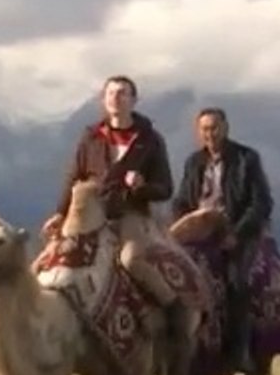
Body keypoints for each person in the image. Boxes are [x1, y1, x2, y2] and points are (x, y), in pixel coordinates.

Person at [40, 75, 189, 340]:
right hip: (89, 215)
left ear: (134, 100)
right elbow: (73, 177)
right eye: (110, 93)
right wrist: (60, 214)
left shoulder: (150, 140)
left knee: (130, 260)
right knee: (50, 261)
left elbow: (165, 188)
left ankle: (173, 309)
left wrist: (142, 187)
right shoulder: (91, 137)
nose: (115, 98)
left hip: (130, 214)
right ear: (103, 100)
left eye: (122, 93)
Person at [171, 107, 273, 375]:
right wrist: (180, 223)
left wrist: (236, 234)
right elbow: (182, 199)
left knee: (236, 281)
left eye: (214, 127)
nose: (210, 134)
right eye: (204, 129)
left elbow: (261, 203)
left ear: (225, 128)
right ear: (198, 132)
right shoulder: (194, 162)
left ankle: (237, 352)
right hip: (198, 230)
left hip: (236, 230)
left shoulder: (246, 159)